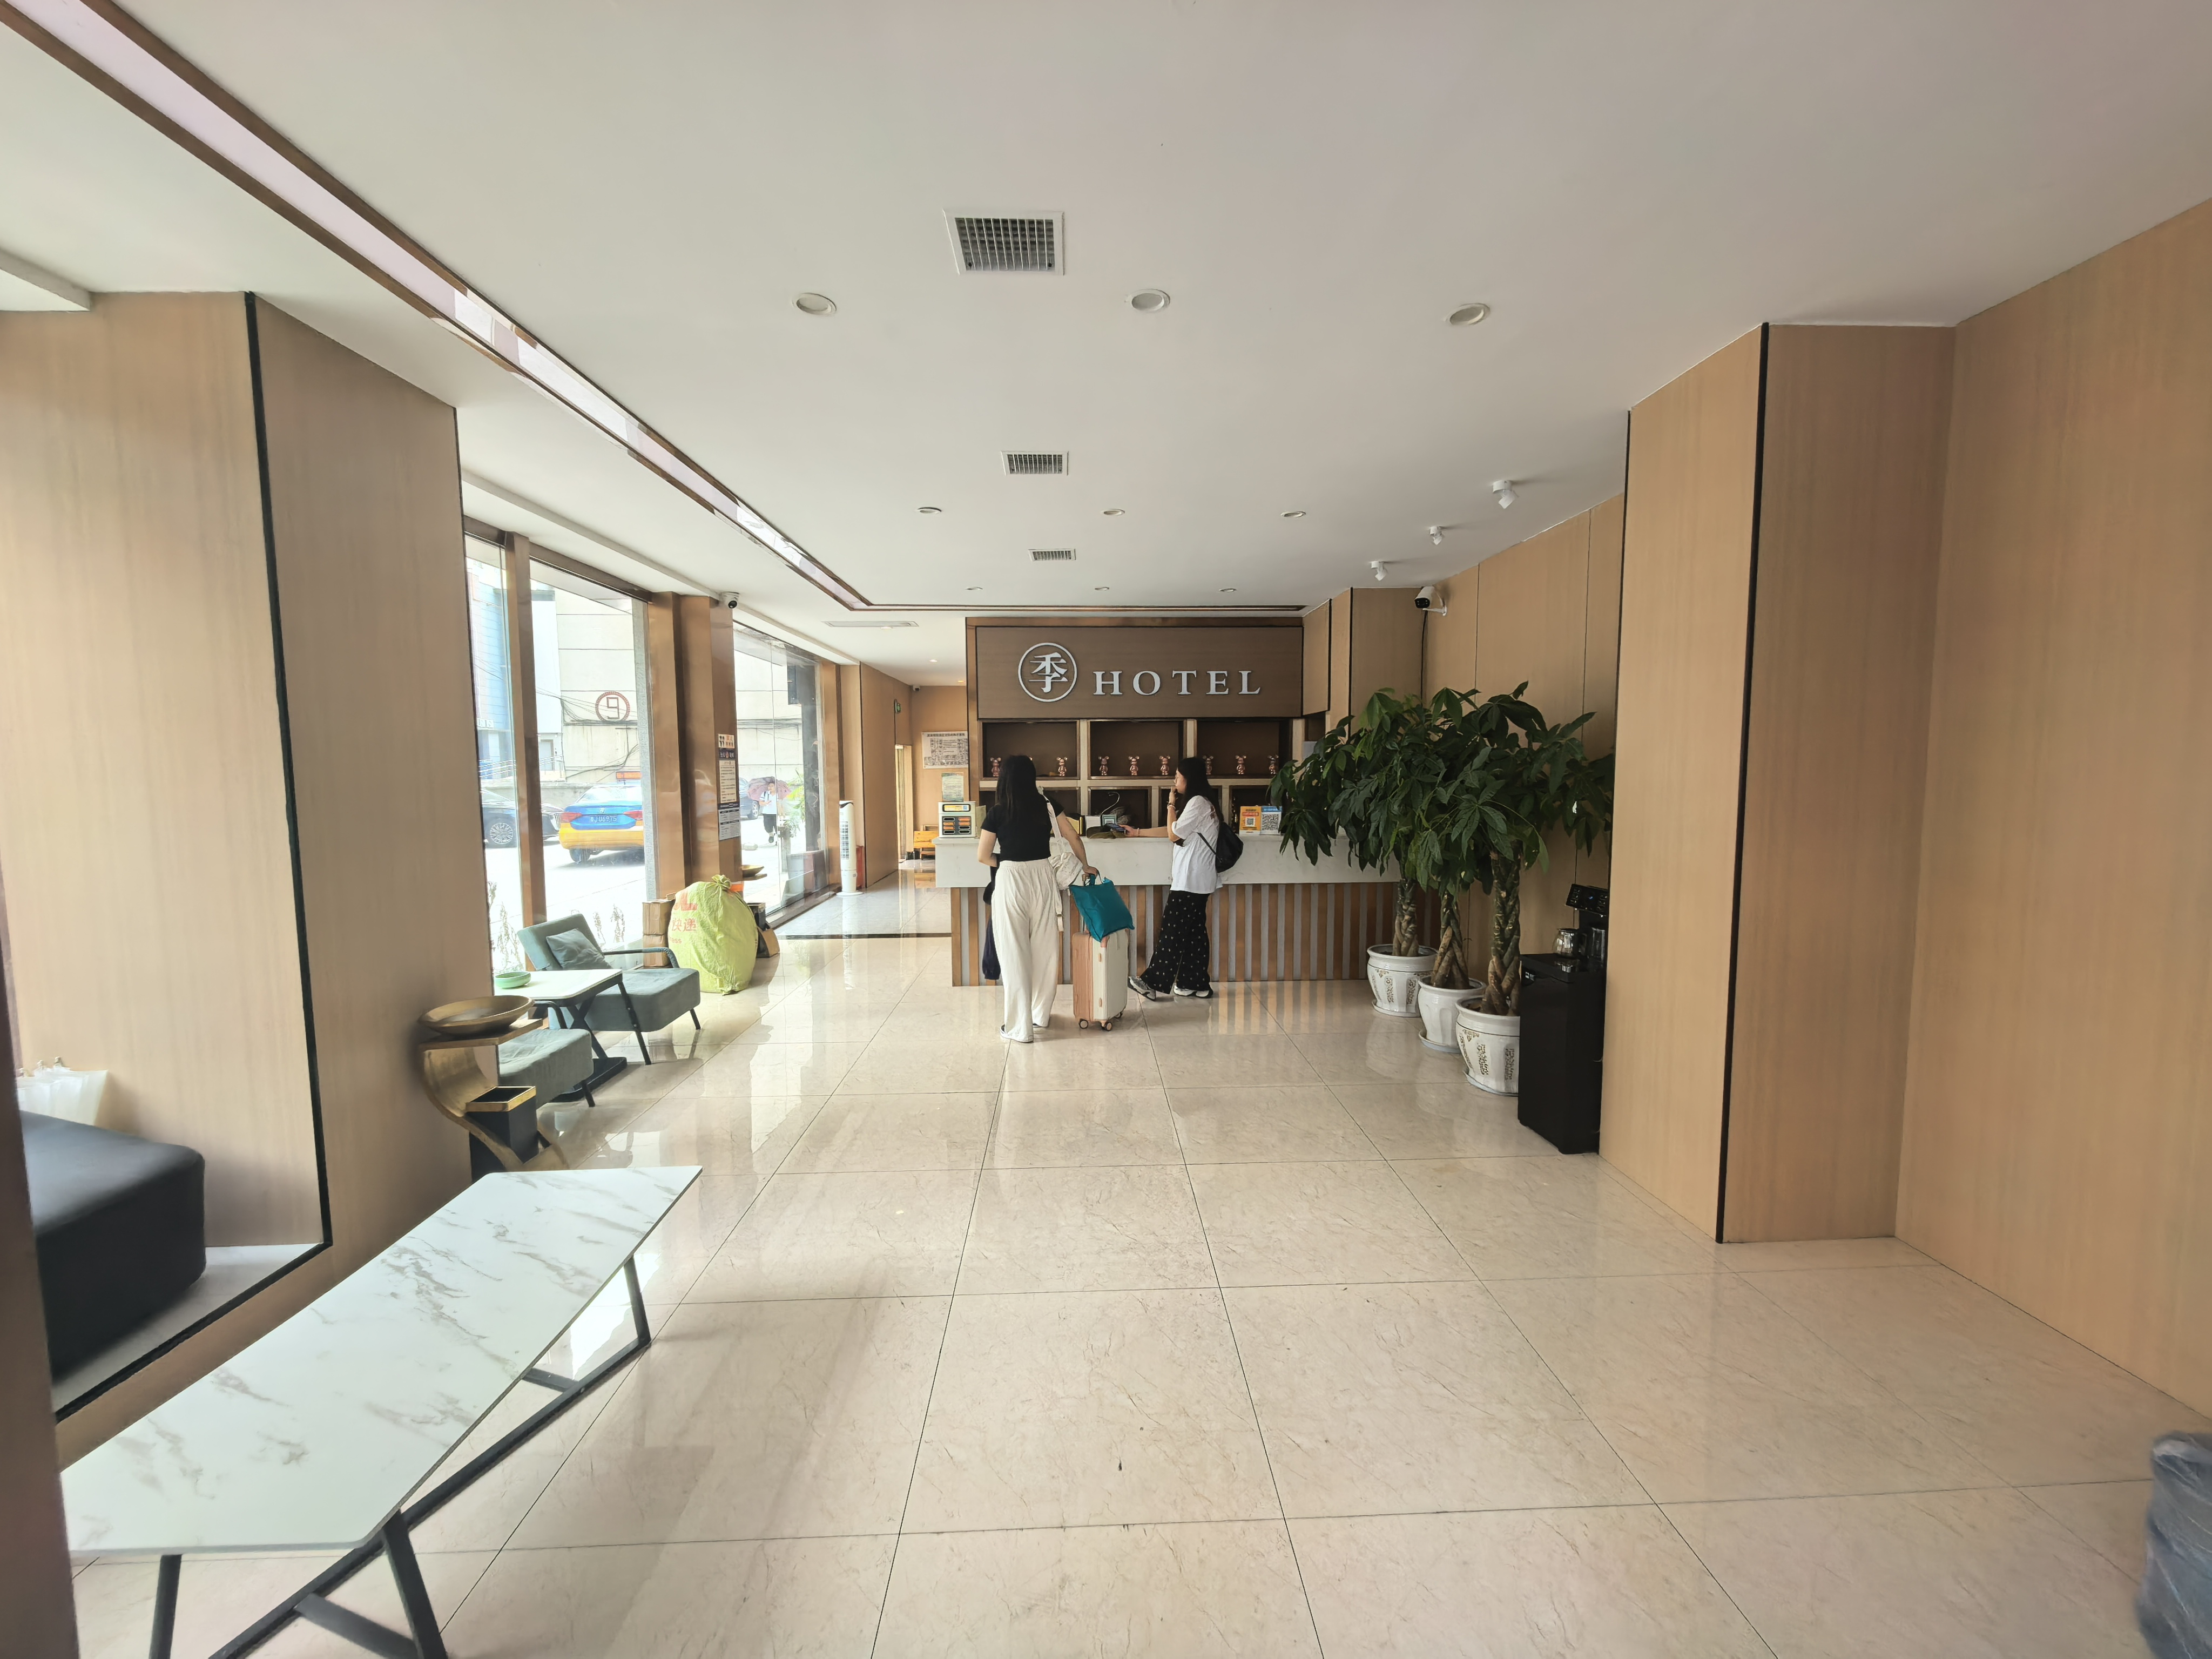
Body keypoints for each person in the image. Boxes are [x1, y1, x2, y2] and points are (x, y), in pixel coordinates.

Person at [976, 755, 1094, 1042]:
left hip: (1011, 880)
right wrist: (1085, 864)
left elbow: (983, 856)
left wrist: (1008, 861)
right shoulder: (1048, 805)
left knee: (1014, 952)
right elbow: (1073, 837)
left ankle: (1020, 1028)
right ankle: (1040, 1014)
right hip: (1043, 875)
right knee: (1045, 949)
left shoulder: (998, 812)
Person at [1126, 756, 1221, 1000]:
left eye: (1178, 777)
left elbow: (1173, 834)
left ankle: (1152, 983)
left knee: (1173, 932)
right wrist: (1138, 833)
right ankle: (1195, 983)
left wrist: (1170, 805)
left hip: (1190, 880)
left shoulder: (1198, 802)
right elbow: (1174, 830)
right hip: (1200, 881)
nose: (1175, 781)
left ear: (1189, 779)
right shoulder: (1204, 803)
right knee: (1194, 934)